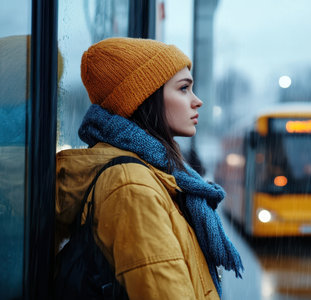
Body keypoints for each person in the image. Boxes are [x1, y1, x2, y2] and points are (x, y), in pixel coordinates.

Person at [55, 37, 243, 299]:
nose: (197, 101)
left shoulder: (158, 173)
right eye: (183, 89)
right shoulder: (132, 185)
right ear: (144, 97)